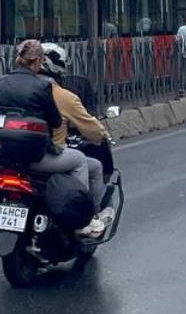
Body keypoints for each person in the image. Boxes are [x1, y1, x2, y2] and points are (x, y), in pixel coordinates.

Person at [0, 39, 108, 238]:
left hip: (6, 156)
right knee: (80, 161)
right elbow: (56, 121)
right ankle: (81, 219)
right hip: (39, 156)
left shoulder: (2, 82)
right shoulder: (51, 92)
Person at [40, 42, 115, 232]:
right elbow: (92, 128)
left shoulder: (14, 89)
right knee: (87, 163)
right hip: (45, 155)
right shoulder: (62, 96)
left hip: (11, 156)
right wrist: (102, 136)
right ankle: (83, 217)